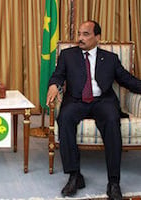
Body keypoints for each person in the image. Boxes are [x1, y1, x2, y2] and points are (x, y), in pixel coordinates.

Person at [46, 20, 141, 200]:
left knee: (112, 121)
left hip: (102, 101)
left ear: (97, 37)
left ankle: (114, 182)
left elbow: (128, 80)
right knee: (64, 118)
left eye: (85, 34)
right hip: (76, 101)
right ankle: (75, 175)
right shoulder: (68, 55)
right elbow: (58, 75)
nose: (80, 38)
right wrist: (53, 84)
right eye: (79, 34)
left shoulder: (110, 59)